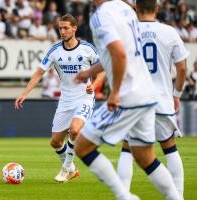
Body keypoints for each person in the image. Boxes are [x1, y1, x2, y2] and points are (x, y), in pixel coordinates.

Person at [73, 0, 181, 200]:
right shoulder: (126, 9)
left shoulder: (100, 16)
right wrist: (89, 71)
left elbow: (119, 53)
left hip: (128, 96)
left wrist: (115, 92)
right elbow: (121, 52)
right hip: (147, 94)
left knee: (83, 146)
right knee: (145, 157)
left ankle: (124, 196)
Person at [15, 14, 100, 183]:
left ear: (74, 28)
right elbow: (39, 72)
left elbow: (102, 69)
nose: (62, 31)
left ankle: (66, 168)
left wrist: (95, 85)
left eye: (66, 28)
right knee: (55, 142)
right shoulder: (54, 50)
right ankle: (72, 170)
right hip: (65, 100)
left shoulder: (87, 48)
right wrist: (24, 93)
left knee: (75, 130)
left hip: (85, 97)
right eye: (60, 28)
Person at [117, 1, 189, 198]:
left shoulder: (126, 32)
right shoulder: (169, 32)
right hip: (161, 99)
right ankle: (178, 195)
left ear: (136, 9)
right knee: (169, 148)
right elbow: (182, 68)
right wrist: (177, 95)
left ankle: (123, 195)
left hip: (133, 99)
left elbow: (117, 63)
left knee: (127, 149)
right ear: (157, 9)